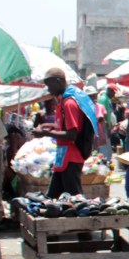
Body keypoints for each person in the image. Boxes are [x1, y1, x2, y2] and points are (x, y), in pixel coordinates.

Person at [32, 67, 96, 198]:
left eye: (49, 85)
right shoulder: (63, 101)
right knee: (52, 198)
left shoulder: (69, 103)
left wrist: (45, 133)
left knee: (75, 199)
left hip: (71, 157)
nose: (48, 89)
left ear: (58, 81)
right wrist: (49, 126)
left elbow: (71, 134)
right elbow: (64, 126)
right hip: (63, 157)